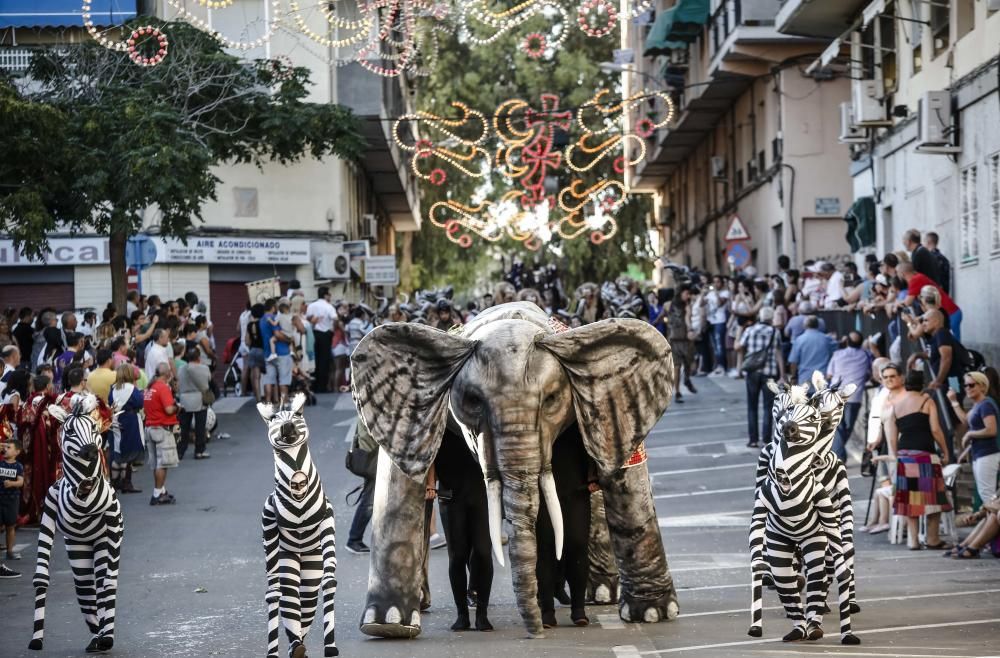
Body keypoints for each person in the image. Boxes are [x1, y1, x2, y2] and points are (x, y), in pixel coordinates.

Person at [883, 369, 952, 550]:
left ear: (906, 384)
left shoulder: (895, 405)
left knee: (910, 500)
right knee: (934, 499)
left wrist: (898, 454)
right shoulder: (927, 401)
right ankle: (932, 539)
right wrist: (945, 451)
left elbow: (891, 436)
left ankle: (913, 541)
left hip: (905, 458)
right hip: (925, 456)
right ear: (922, 385)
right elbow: (936, 430)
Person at [434, 428, 494, 631]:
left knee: (483, 552)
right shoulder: (440, 408)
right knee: (458, 555)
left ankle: (482, 613)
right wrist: (429, 484)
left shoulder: (480, 411)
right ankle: (462, 614)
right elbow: (428, 448)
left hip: (482, 489)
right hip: (450, 491)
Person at [949, 371, 998, 507]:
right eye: (965, 386)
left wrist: (970, 435)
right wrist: (954, 402)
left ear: (982, 386)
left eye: (971, 385)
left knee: (987, 495)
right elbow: (966, 420)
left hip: (987, 453)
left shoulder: (986, 404)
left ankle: (992, 525)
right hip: (980, 453)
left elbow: (991, 430)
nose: (967, 388)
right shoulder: (978, 405)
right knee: (986, 495)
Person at [738, 307, 785, 448]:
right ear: (771, 319)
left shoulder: (750, 330)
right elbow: (778, 355)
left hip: (752, 373)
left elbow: (739, 347)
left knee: (752, 407)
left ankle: (753, 439)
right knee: (768, 407)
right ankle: (766, 439)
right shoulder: (775, 332)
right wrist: (782, 375)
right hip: (769, 374)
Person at [826, 332, 872, 462]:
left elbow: (829, 375)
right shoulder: (865, 355)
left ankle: (836, 453)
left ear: (847, 341)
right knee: (847, 427)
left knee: (838, 427)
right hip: (854, 396)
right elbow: (869, 372)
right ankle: (838, 455)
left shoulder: (837, 354)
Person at [862, 359, 895, 535]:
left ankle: (885, 520)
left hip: (885, 442)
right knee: (882, 482)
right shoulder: (882, 390)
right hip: (879, 439)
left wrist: (877, 438)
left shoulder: (887, 392)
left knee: (885, 480)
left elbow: (884, 420)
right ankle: (876, 520)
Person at [897, 263, 962, 341]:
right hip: (951, 312)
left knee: (952, 345)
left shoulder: (915, 279)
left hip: (950, 313)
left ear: (902, 274)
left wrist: (895, 306)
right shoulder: (918, 277)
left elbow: (906, 303)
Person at [144, 362, 179, 505]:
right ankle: (157, 493)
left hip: (150, 427)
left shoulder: (149, 388)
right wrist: (177, 407)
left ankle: (161, 490)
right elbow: (169, 409)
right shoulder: (163, 388)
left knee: (156, 463)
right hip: (162, 428)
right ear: (168, 374)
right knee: (162, 464)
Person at [109, 364, 145, 494]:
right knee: (129, 453)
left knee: (118, 450)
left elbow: (110, 403)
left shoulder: (113, 389)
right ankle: (126, 483)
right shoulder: (132, 389)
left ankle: (114, 483)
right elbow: (140, 403)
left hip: (116, 420)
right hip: (130, 421)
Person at [176, 347, 212, 460]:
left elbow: (178, 382)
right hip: (199, 399)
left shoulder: (182, 368)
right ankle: (199, 451)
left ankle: (180, 451)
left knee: (184, 427)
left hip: (184, 400)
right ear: (198, 357)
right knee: (200, 426)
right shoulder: (204, 368)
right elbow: (208, 381)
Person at [260, 299, 293, 404]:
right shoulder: (273, 318)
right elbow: (278, 334)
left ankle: (268, 401)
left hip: (268, 353)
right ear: (273, 307)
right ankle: (285, 401)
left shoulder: (261, 320)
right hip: (281, 352)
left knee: (268, 379)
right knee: (284, 379)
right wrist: (289, 340)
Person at [788, 315, 837, 386]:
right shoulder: (827, 339)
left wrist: (793, 377)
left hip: (805, 378)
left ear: (804, 325)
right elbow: (837, 350)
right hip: (822, 378)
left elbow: (793, 362)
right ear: (818, 325)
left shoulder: (799, 340)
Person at [306, 287, 337, 393]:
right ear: (325, 295)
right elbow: (335, 318)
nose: (330, 297)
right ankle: (322, 386)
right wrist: (333, 329)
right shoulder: (329, 306)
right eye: (329, 294)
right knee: (324, 360)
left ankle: (314, 385)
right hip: (325, 334)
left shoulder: (311, 305)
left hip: (314, 333)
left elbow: (308, 318)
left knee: (315, 359)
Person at [1, 439, 24, 561]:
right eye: (4, 447)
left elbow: (21, 482)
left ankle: (9, 551)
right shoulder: (0, 463)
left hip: (12, 500)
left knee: (10, 526)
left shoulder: (18, 466)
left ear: (17, 452)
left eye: (9, 447)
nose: (5, 449)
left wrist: (11, 483)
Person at [706, 275, 729, 376]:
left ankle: (722, 366)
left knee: (720, 345)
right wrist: (703, 293)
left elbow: (720, 303)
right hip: (710, 321)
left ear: (722, 283)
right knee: (714, 346)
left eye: (718, 282)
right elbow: (702, 303)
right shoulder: (710, 293)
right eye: (714, 282)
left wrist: (716, 293)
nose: (716, 284)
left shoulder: (725, 293)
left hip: (720, 321)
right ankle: (718, 366)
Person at [923, 231, 951, 295]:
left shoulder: (929, 259)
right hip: (943, 295)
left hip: (932, 295)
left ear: (928, 242)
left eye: (924, 241)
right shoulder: (944, 259)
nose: (923, 245)